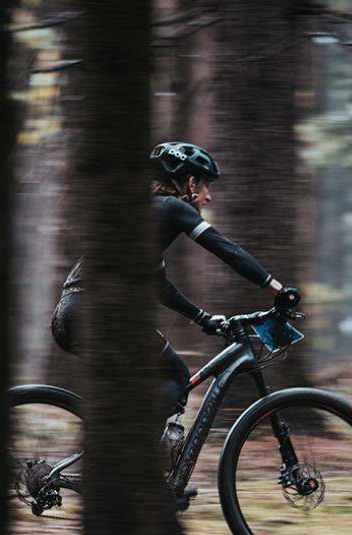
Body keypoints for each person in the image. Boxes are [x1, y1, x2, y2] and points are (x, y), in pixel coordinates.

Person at [51, 141, 300, 418]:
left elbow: (160, 286)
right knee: (177, 377)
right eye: (207, 185)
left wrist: (203, 318)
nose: (209, 196)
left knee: (143, 389)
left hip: (68, 315)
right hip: (98, 313)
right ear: (191, 183)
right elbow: (226, 249)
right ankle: (133, 457)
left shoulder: (144, 215)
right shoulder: (171, 207)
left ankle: (124, 446)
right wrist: (276, 289)